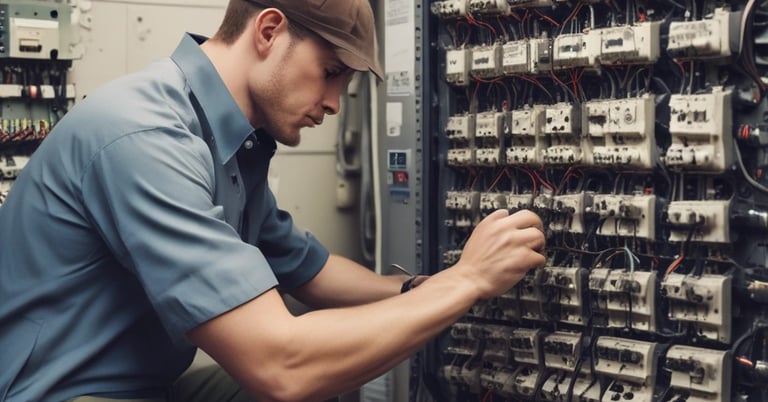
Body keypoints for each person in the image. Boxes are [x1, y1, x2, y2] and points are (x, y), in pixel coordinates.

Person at [0, 0, 546, 401]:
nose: (334, 102)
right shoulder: (146, 135)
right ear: (268, 30)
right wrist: (466, 280)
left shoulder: (231, 140)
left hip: (145, 386)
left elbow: (303, 267)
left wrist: (412, 289)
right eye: (331, 74)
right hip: (60, 393)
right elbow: (279, 362)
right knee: (302, 375)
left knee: (331, 386)